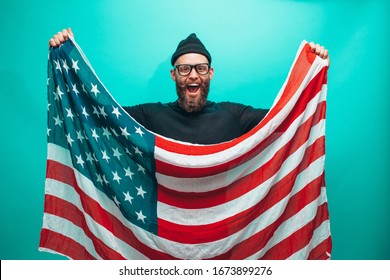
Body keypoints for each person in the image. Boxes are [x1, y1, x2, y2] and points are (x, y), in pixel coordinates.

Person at [49, 28, 330, 144]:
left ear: (210, 74)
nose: (192, 75)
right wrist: (66, 59)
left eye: (200, 68)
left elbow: (287, 115)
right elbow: (100, 112)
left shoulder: (234, 115)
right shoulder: (151, 116)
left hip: (225, 239)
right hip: (163, 241)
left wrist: (313, 70)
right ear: (174, 75)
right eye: (184, 69)